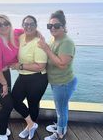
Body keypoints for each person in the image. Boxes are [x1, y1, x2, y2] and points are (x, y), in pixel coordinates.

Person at [38, 10, 78, 140]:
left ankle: (60, 133)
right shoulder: (54, 39)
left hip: (63, 83)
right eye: (50, 26)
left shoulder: (66, 42)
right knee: (61, 108)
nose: (52, 28)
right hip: (57, 82)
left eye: (56, 26)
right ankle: (62, 126)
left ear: (64, 27)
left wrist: (47, 49)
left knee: (61, 111)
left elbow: (62, 64)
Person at [10, 15, 48, 140]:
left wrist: (19, 66)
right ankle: (31, 124)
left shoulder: (39, 43)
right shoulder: (20, 37)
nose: (28, 26)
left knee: (33, 104)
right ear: (22, 25)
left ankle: (29, 128)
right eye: (26, 24)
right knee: (14, 100)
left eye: (32, 24)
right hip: (23, 77)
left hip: (38, 79)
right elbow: (6, 34)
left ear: (36, 26)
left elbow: (40, 66)